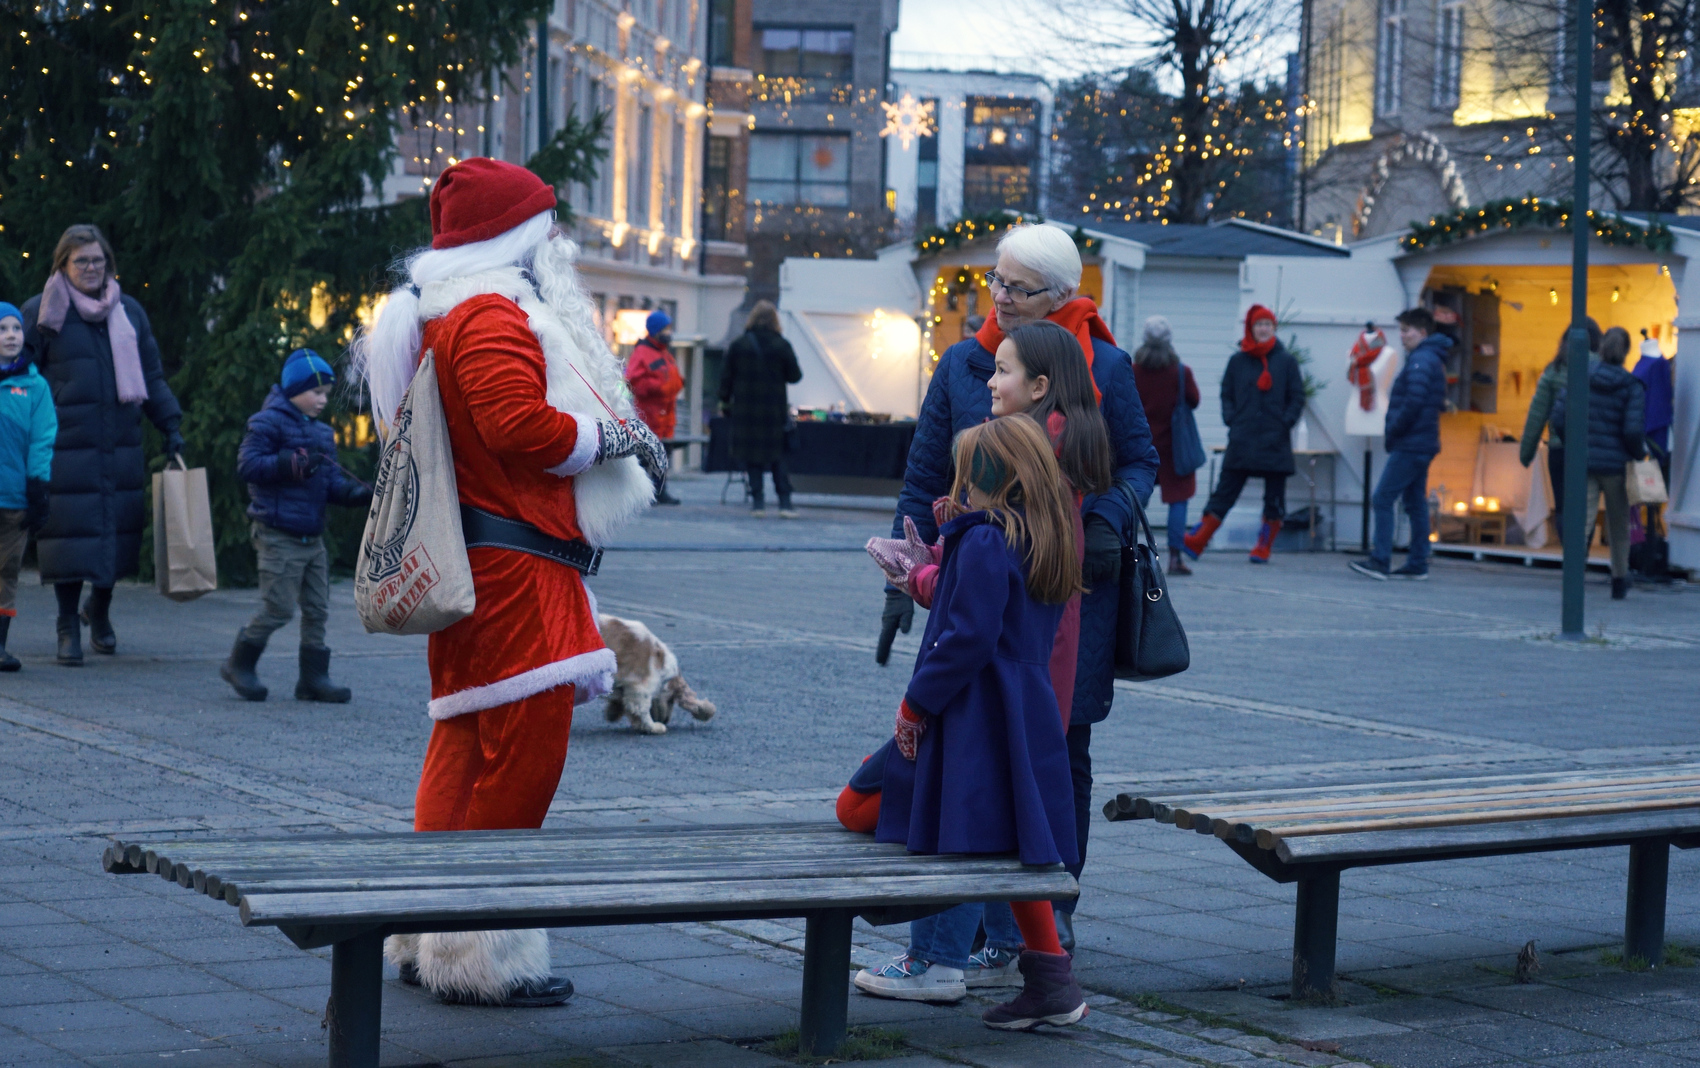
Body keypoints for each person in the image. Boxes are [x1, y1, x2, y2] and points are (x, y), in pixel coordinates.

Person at [353, 158, 666, 1008]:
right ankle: (481, 953)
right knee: (523, 759)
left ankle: (428, 935)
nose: (557, 240)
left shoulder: (447, 312)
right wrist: (610, 437)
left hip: (484, 563)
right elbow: (519, 424)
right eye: (547, 226)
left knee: (461, 746)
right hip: (516, 573)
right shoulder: (492, 313)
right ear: (516, 239)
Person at [887, 223, 1157, 953]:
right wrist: (906, 574)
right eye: (995, 281)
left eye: (1017, 288)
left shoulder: (1103, 364)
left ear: (1059, 297)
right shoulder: (963, 365)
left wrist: (1103, 520)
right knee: (975, 751)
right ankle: (990, 935)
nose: (999, 297)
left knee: (1058, 750)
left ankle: (1048, 918)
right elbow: (924, 476)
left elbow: (1139, 461)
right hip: (975, 581)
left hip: (1072, 590)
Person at [857, 319, 1113, 1002]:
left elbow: (980, 611)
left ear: (1039, 387)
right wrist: (937, 560)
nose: (988, 382)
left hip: (984, 691)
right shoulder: (1045, 484)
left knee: (944, 812)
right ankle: (1039, 970)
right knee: (1008, 825)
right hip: (1024, 684)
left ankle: (936, 958)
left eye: (1000, 370)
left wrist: (922, 577)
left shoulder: (1014, 500)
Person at [875, 414, 1087, 1031]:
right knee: (1014, 849)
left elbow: (968, 635)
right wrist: (953, 537)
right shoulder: (1038, 533)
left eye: (966, 476)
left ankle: (930, 955)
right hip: (1021, 711)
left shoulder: (988, 539)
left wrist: (915, 704)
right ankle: (1052, 981)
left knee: (861, 806)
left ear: (983, 478)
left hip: (976, 715)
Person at [21, 224, 183, 665]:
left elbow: (150, 376)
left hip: (119, 444)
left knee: (117, 534)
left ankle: (102, 611)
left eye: (98, 260)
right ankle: (66, 625)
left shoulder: (128, 311)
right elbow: (18, 376)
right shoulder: (41, 313)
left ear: (108, 264)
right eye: (81, 261)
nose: (91, 268)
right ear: (63, 265)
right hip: (63, 448)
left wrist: (170, 425)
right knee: (68, 537)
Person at [220, 349, 372, 703]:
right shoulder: (267, 423)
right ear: (294, 390)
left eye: (326, 394)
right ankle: (238, 663)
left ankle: (313, 679)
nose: (322, 400)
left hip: (312, 535)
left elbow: (332, 483)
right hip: (277, 532)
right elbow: (248, 466)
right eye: (316, 392)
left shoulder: (321, 434)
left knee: (318, 608)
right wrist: (287, 463)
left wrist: (359, 493)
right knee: (279, 608)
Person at [1182, 305, 1304, 564]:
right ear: (1251, 328)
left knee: (1274, 497)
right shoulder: (1238, 361)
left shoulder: (1287, 361)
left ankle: (1263, 547)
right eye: (1258, 325)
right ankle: (1198, 539)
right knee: (1225, 490)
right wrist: (1232, 419)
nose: (1263, 329)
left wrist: (1285, 422)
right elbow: (1227, 392)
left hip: (1275, 439)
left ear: (1273, 328)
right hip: (1243, 437)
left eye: (1267, 325)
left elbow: (1297, 397)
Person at [1350, 308, 1449, 580]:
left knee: (1383, 498)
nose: (1402, 336)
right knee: (1414, 501)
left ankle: (1380, 560)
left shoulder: (1420, 360)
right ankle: (1418, 562)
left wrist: (1393, 429)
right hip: (1423, 442)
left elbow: (1413, 402)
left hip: (1411, 442)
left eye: (1407, 331)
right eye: (1402, 330)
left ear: (1423, 332)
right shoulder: (1430, 359)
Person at [1568, 326, 1647, 599]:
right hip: (1616, 466)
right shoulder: (1632, 386)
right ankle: (1619, 580)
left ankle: (1575, 578)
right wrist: (1639, 454)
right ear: (1626, 352)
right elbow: (1632, 431)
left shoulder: (1581, 377)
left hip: (1585, 462)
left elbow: (1559, 415)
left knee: (1583, 523)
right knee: (1618, 525)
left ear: (1601, 347)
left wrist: (1575, 445)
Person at [0, 304, 55, 670]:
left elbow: (41, 440)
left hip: (15, 499)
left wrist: (38, 489)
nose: (11, 335)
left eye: (16, 328)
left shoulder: (35, 386)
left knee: (6, 571)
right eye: (2, 329)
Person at [1131, 316, 1201, 575]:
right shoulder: (1181, 372)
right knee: (1179, 499)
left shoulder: (1134, 370)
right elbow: (1193, 400)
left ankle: (1129, 553)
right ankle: (1174, 558)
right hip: (1174, 447)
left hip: (1142, 444)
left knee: (1136, 500)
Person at [1520, 319, 1603, 534]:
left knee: (1564, 508)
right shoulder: (1602, 370)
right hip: (1592, 449)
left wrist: (1526, 452)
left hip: (1559, 448)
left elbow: (1537, 414)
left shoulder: (1554, 371)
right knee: (1587, 506)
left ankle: (1569, 558)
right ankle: (1581, 558)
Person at [720, 301, 801, 518]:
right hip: (774, 412)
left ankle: (758, 503)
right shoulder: (782, 345)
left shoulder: (739, 345)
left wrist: (725, 403)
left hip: (747, 412)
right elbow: (795, 376)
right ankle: (785, 503)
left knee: (752, 458)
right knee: (778, 458)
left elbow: (725, 379)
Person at [625, 309, 684, 505]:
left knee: (661, 454)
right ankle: (641, 492)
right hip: (650, 414)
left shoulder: (663, 351)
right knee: (645, 455)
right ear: (657, 330)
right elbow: (631, 382)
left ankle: (659, 491)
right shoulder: (643, 352)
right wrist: (658, 387)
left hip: (665, 414)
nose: (669, 332)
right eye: (666, 328)